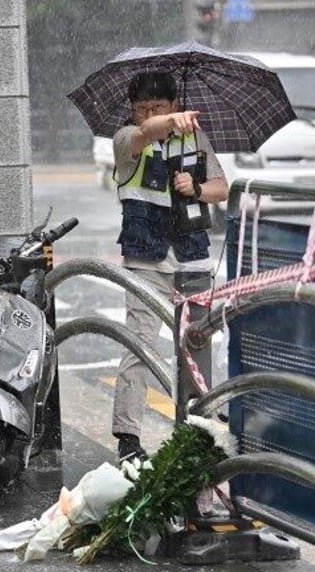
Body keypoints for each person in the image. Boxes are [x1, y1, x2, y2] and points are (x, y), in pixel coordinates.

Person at [111, 71, 228, 460]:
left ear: (175, 103)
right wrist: (162, 121)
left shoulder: (195, 136)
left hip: (192, 257)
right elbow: (145, 134)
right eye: (140, 108)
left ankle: (195, 431)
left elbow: (221, 187)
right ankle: (128, 438)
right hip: (146, 259)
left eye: (157, 107)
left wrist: (194, 189)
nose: (147, 114)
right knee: (139, 346)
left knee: (195, 349)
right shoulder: (127, 138)